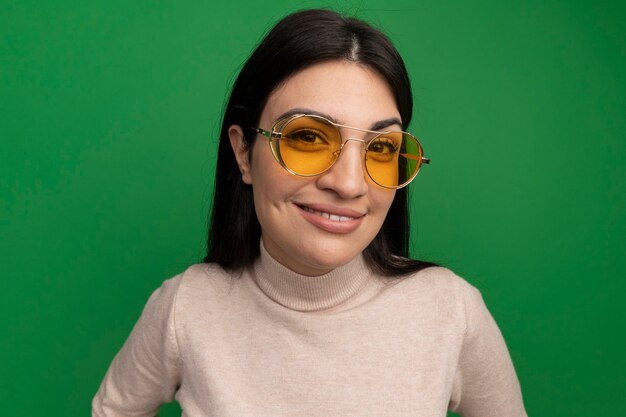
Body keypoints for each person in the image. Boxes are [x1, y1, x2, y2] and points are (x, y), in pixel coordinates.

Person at [93, 9, 527, 417]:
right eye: (307, 138)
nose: (349, 183)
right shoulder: (187, 306)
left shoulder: (451, 310)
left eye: (380, 147)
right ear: (243, 152)